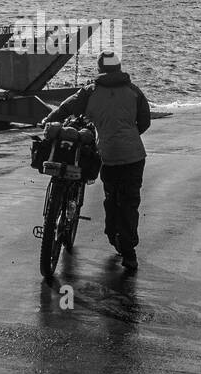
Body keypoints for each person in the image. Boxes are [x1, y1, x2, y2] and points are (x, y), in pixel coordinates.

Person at [44, 51, 150, 270]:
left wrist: (48, 119)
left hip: (109, 156)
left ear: (101, 69)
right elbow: (145, 121)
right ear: (119, 68)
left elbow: (66, 108)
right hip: (134, 157)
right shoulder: (134, 91)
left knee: (112, 198)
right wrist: (128, 135)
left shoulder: (90, 91)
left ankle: (113, 236)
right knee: (130, 203)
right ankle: (129, 254)